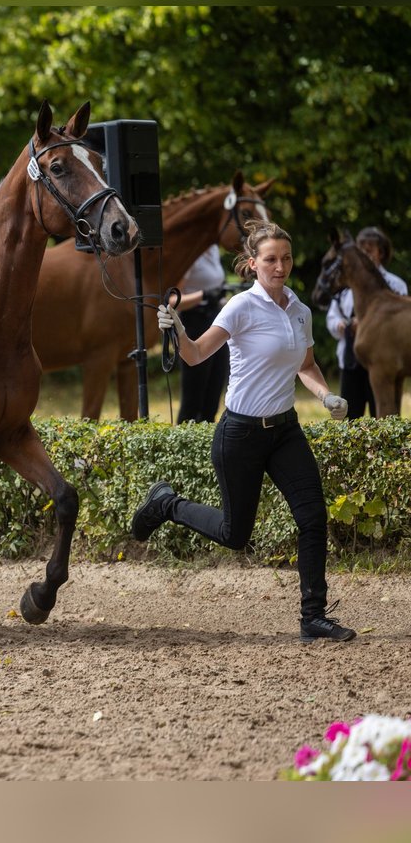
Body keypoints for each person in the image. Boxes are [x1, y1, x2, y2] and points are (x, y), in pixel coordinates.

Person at [130, 219, 357, 643]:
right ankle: (166, 504)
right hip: (241, 434)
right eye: (270, 259)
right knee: (235, 536)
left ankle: (313, 617)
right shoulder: (240, 307)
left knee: (312, 517)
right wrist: (177, 327)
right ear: (253, 263)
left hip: (285, 431)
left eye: (286, 258)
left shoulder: (300, 310)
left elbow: (306, 366)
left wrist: (326, 395)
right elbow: (196, 355)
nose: (280, 266)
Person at [326, 226, 408, 419]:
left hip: (384, 356)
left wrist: (365, 324)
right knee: (350, 412)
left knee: (381, 406)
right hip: (350, 358)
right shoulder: (346, 285)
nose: (364, 255)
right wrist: (340, 325)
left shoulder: (394, 284)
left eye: (369, 250)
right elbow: (332, 316)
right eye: (360, 250)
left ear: (381, 253)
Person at [175, 243, 229, 422]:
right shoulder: (190, 253)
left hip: (216, 318)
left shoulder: (213, 249)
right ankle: (185, 434)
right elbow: (172, 300)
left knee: (214, 393)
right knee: (193, 397)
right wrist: (203, 295)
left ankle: (208, 435)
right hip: (194, 321)